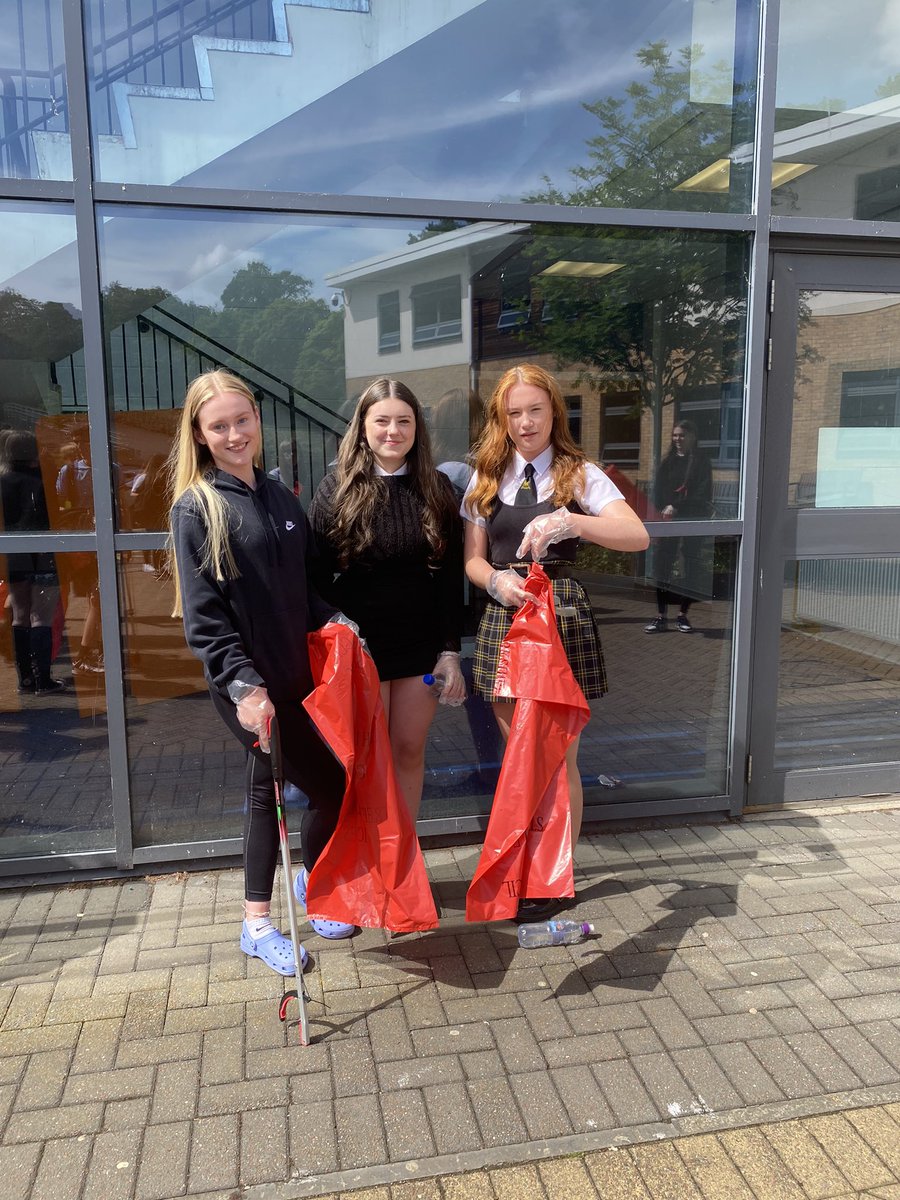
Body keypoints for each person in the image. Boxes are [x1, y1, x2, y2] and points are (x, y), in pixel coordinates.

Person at [169, 369, 357, 978]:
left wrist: (338, 620)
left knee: (295, 787)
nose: (234, 434)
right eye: (218, 426)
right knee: (297, 789)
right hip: (248, 686)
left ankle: (308, 883)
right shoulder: (196, 508)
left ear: (256, 419)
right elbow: (204, 618)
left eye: (242, 420)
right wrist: (245, 687)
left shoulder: (279, 496)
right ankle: (256, 925)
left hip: (297, 677)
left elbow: (303, 589)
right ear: (200, 435)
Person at [462, 363, 649, 920]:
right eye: (514, 413)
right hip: (505, 618)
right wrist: (495, 581)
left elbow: (636, 535)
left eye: (535, 410)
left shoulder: (580, 474)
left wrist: (574, 523)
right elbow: (472, 559)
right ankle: (523, 866)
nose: (525, 423)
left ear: (553, 412)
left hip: (560, 618)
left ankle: (555, 877)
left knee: (559, 754)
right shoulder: (485, 478)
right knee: (517, 753)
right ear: (501, 418)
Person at [308, 377, 465, 822]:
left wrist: (450, 651)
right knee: (366, 755)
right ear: (362, 427)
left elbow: (450, 580)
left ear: (417, 428)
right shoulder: (335, 489)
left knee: (409, 749)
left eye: (404, 421)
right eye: (382, 421)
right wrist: (337, 636)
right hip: (361, 646)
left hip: (420, 644)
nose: (393, 431)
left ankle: (403, 854)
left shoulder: (438, 488)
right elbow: (313, 578)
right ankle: (371, 852)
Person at [1, 431, 66, 695]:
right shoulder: (42, 481)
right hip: (44, 555)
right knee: (42, 617)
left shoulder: (3, 482)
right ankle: (43, 679)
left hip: (14, 554)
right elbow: (55, 517)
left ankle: (25, 679)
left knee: (19, 616)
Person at [644, 419, 712, 634]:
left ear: (692, 437)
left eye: (682, 435)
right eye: (675, 435)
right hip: (668, 522)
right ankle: (661, 616)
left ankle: (683, 614)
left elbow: (703, 494)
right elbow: (658, 491)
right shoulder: (668, 463)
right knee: (662, 566)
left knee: (690, 565)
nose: (678, 439)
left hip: (691, 520)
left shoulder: (701, 462)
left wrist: (677, 506)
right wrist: (663, 508)